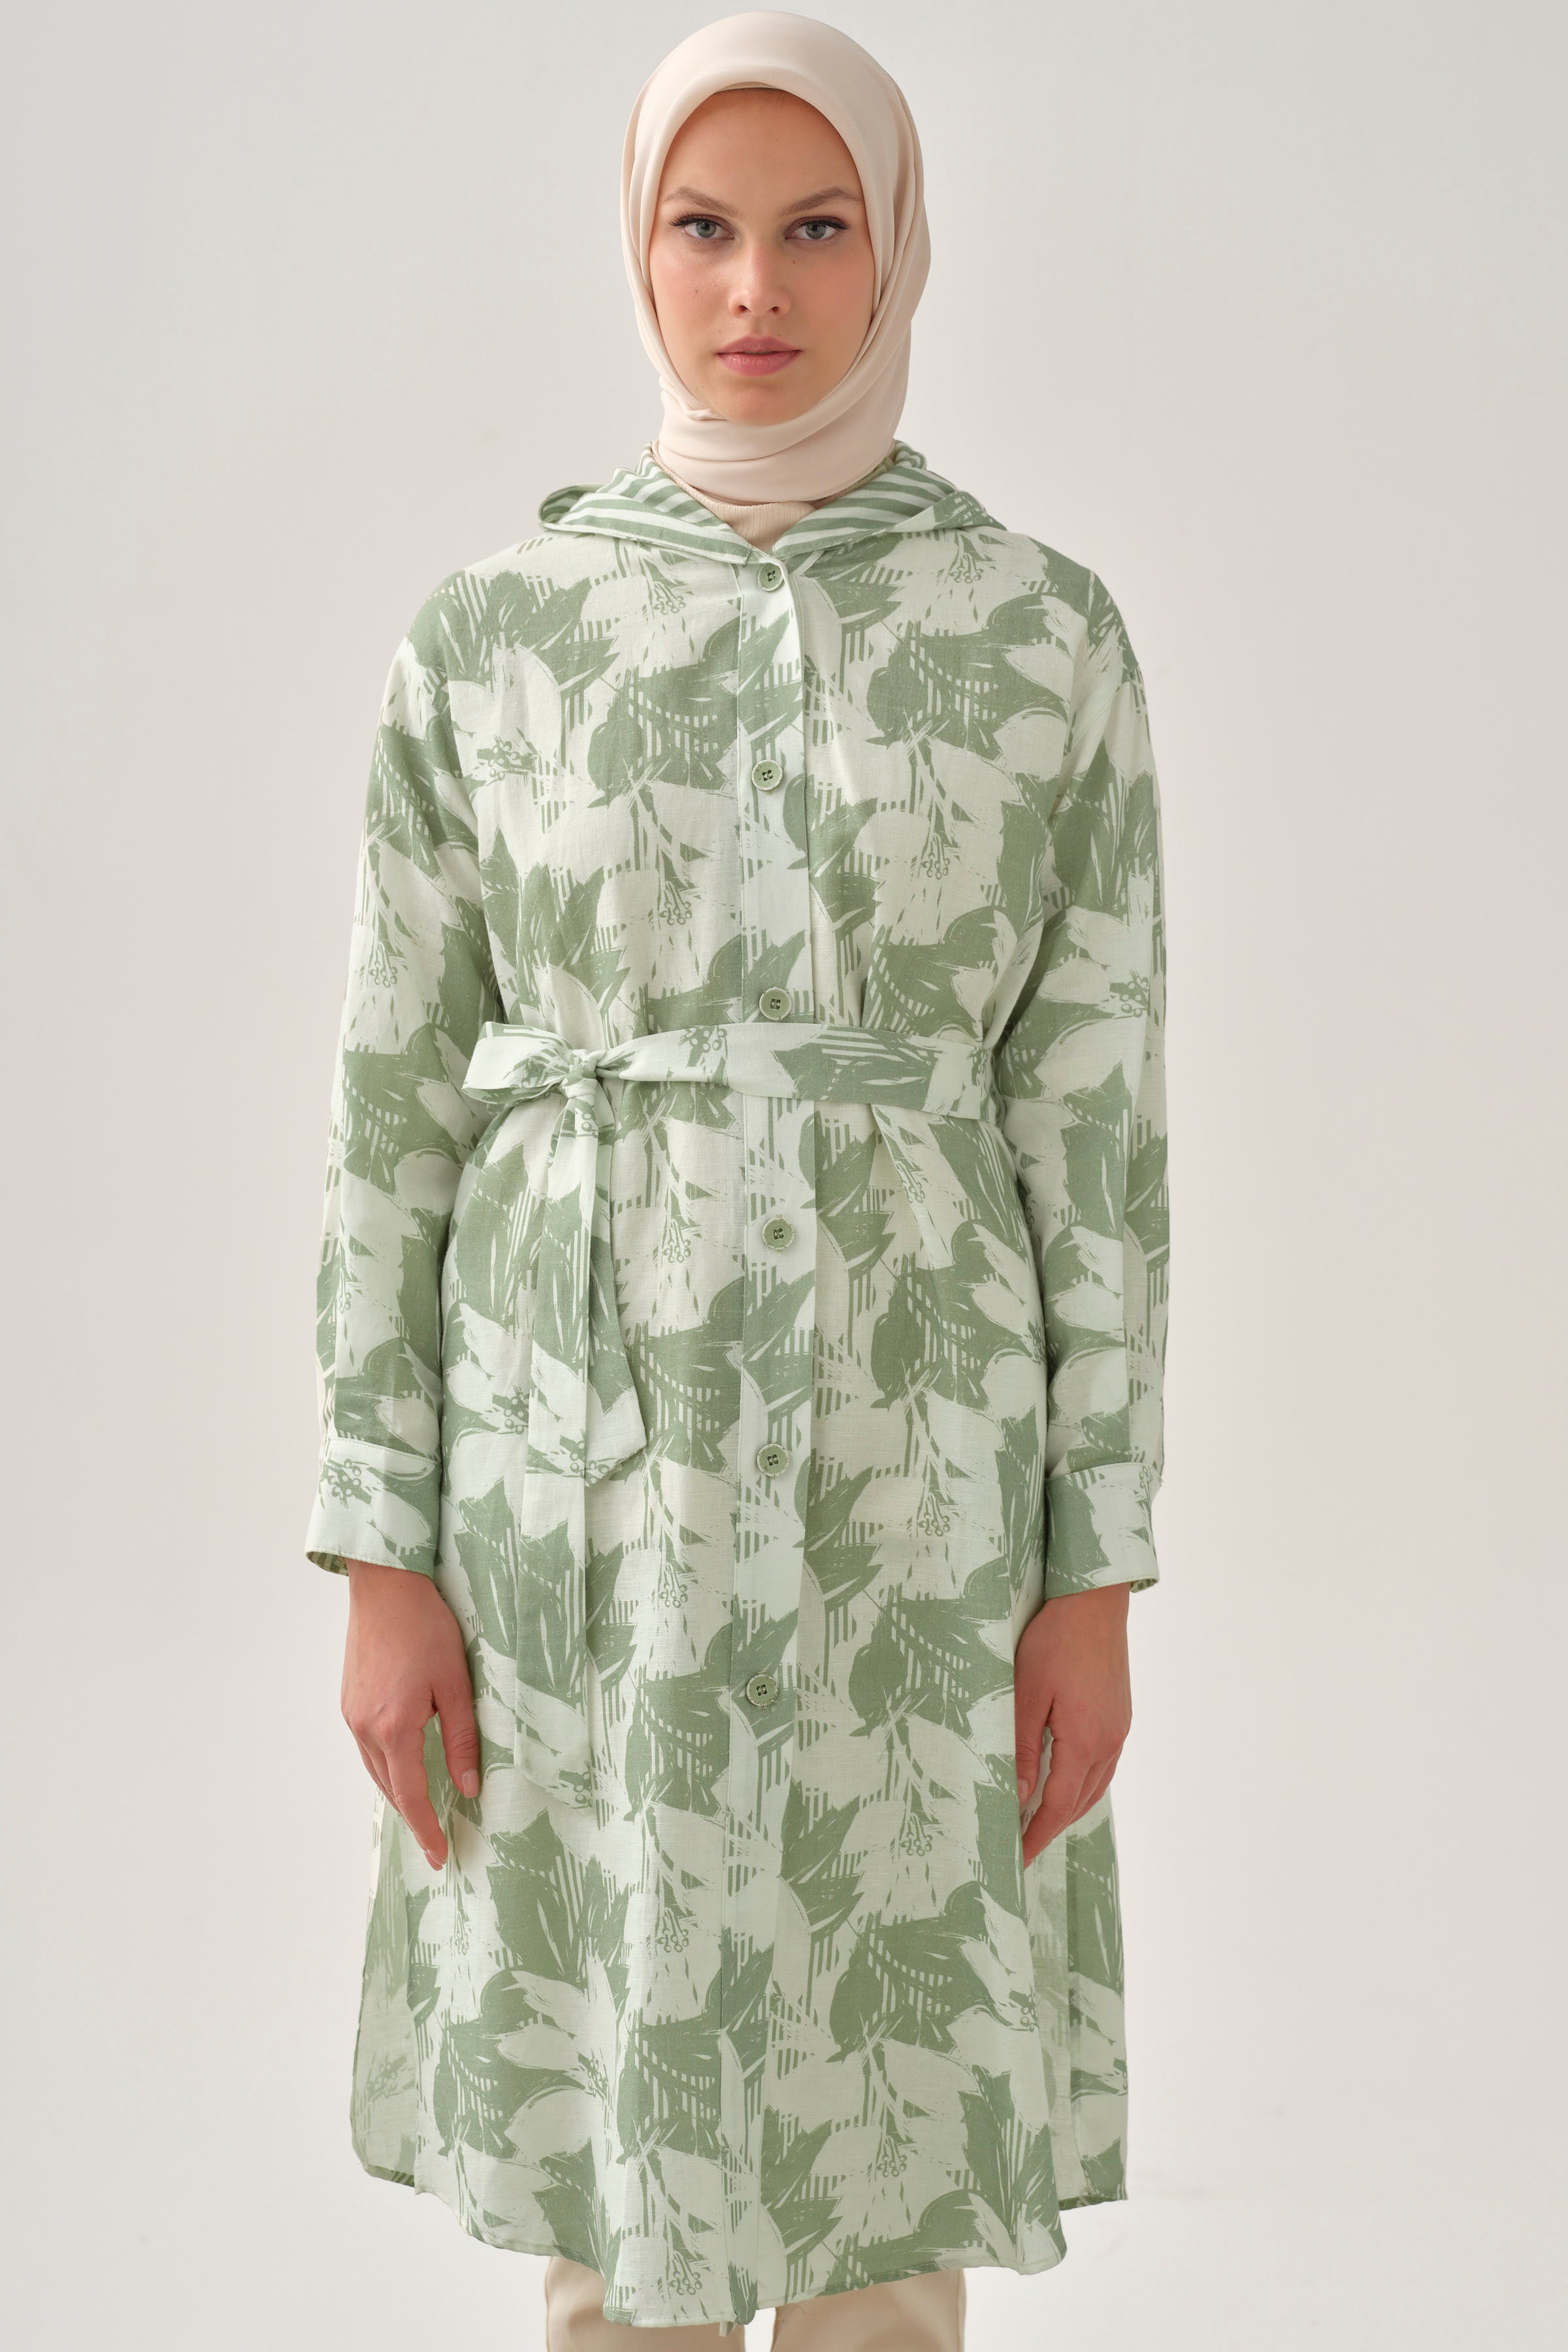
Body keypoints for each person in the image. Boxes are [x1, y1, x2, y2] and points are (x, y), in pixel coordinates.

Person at [305, 12, 1169, 2347]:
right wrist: (383, 1547)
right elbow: (392, 1105)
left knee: (885, 2132)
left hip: (923, 1476)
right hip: (576, 1469)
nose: (755, 287)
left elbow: (1095, 1125)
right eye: (703, 227)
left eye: (815, 227)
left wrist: (1094, 1566)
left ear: (898, 253)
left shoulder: (1040, 633)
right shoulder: (498, 632)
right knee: (625, 2118)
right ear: (639, 247)